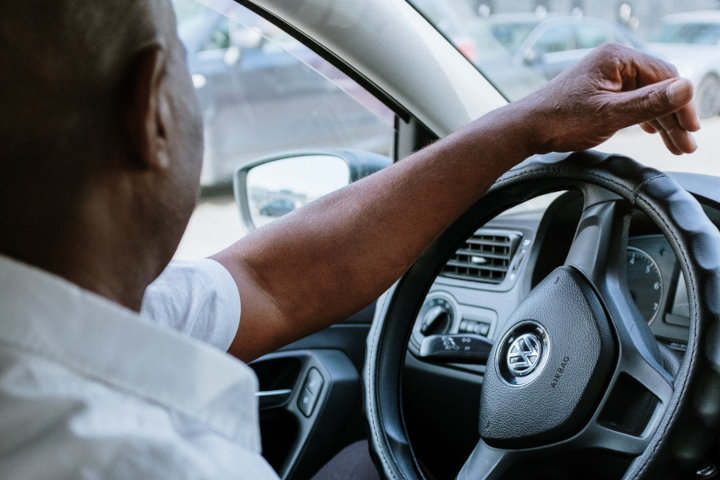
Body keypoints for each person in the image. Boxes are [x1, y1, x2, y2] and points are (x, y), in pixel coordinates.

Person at [0, 0, 700, 479]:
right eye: (183, 57)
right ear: (149, 109)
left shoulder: (71, 311)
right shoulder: (147, 461)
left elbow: (268, 283)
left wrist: (524, 126)